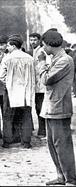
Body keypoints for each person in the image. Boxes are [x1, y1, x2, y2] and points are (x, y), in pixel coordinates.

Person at [38, 30, 76, 186]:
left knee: (62, 145)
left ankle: (71, 179)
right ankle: (61, 176)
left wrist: (41, 63)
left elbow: (46, 79)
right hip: (52, 107)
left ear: (49, 44)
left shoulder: (64, 60)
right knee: (53, 144)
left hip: (59, 107)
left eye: (43, 45)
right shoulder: (56, 59)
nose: (42, 48)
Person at [0, 35, 35, 149]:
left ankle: (7, 141)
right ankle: (26, 141)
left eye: (8, 45)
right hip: (26, 91)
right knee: (26, 116)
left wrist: (8, 84)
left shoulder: (7, 58)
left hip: (11, 91)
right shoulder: (30, 58)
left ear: (13, 46)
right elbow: (35, 75)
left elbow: (2, 76)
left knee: (8, 116)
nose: (7, 48)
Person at [29, 32, 46, 137]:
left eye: (35, 40)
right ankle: (42, 129)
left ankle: (43, 130)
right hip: (36, 85)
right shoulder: (34, 51)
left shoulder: (41, 51)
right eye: (31, 40)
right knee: (38, 107)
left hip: (41, 85)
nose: (32, 42)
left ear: (39, 40)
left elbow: (41, 68)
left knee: (40, 107)